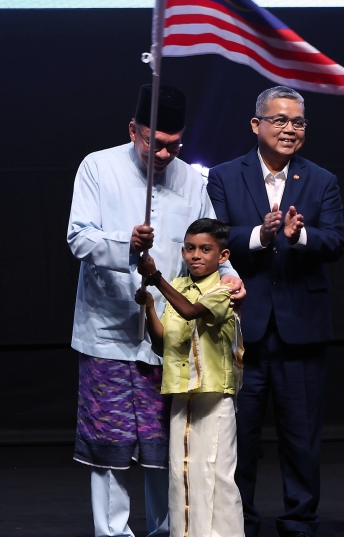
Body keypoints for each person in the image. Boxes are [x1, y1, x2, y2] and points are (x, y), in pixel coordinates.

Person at [67, 84, 244, 537]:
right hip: (106, 331)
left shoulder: (192, 180)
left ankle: (167, 531)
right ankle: (112, 533)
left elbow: (210, 243)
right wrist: (125, 242)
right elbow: (78, 238)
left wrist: (230, 277)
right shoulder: (97, 167)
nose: (165, 154)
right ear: (134, 131)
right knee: (109, 443)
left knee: (164, 443)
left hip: (170, 337)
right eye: (155, 143)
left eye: (174, 145)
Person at [207, 86, 344, 537]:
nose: (290, 129)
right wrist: (260, 236)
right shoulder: (224, 176)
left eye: (298, 122)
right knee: (239, 437)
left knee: (301, 437)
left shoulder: (321, 179)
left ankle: (299, 522)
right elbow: (213, 236)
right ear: (256, 125)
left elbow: (336, 241)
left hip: (301, 329)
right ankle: (239, 521)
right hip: (241, 329)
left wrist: (297, 236)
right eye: (280, 120)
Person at [134, 218, 245, 537]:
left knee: (215, 473)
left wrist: (155, 278)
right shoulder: (178, 287)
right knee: (182, 472)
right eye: (190, 248)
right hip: (182, 392)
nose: (196, 255)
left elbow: (191, 312)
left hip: (214, 394)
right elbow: (163, 342)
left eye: (205, 249)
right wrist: (150, 307)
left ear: (222, 256)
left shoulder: (224, 289)